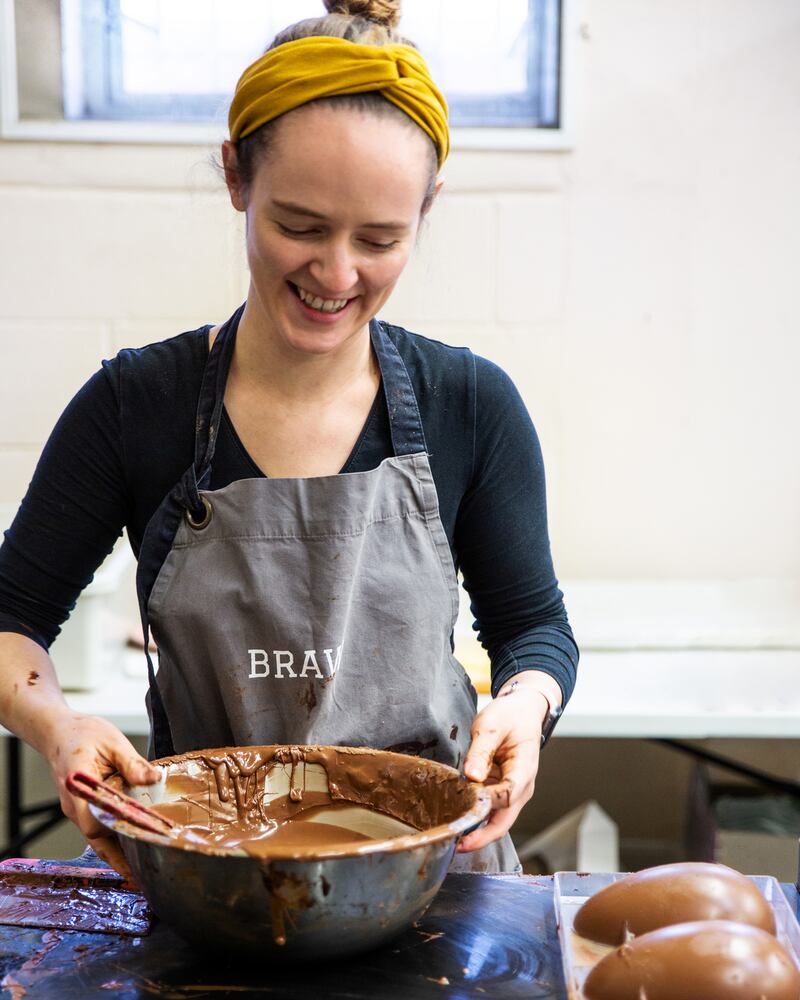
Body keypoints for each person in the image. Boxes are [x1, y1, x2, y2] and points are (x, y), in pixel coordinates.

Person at [0, 0, 578, 876]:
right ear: (237, 178)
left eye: (381, 239)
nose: (336, 274)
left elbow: (535, 626)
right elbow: (12, 620)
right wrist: (60, 724)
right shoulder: (134, 406)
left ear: (428, 208)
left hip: (434, 882)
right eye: (299, 227)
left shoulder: (470, 404)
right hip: (214, 880)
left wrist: (526, 706)